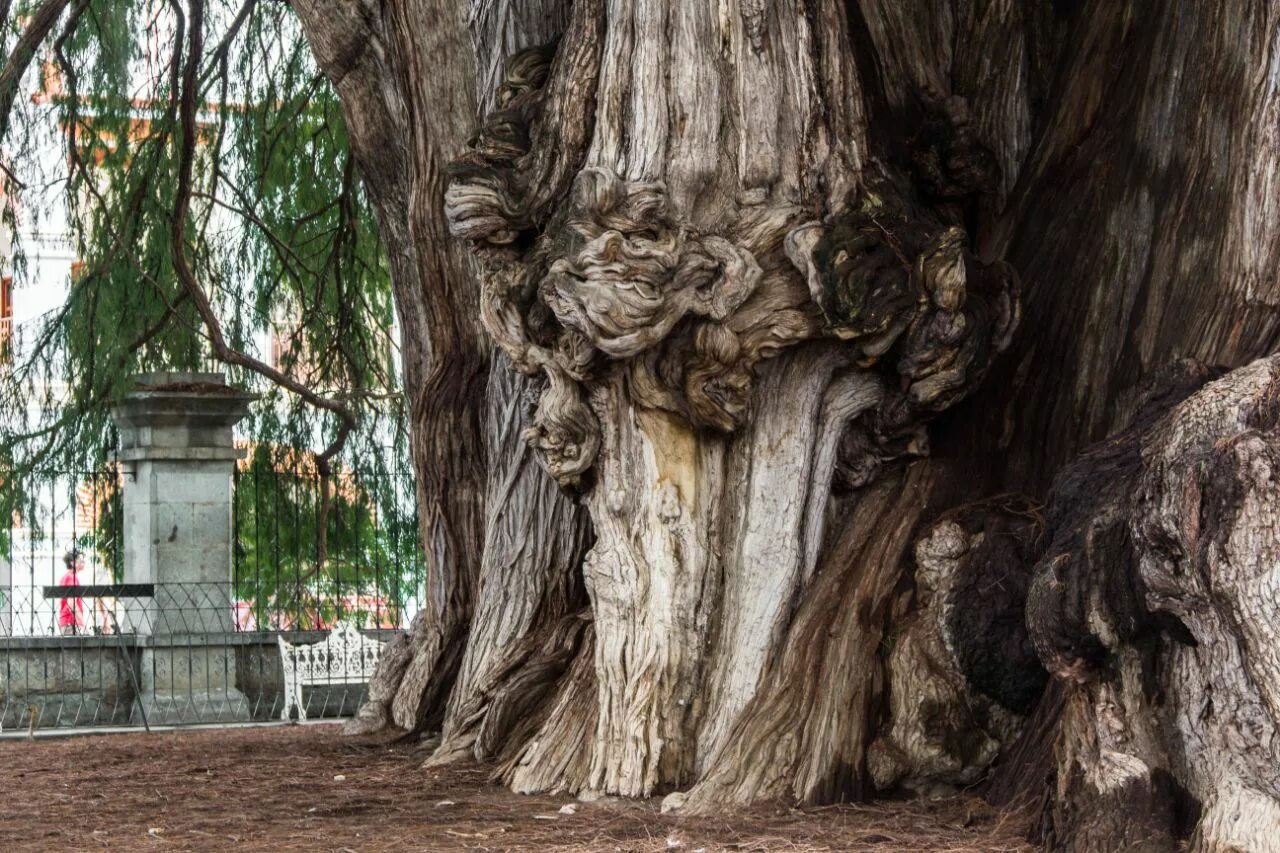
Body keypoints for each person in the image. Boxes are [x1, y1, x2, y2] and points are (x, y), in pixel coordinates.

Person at [56, 549, 88, 636]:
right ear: (72, 563)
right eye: (80, 560)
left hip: (66, 622)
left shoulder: (66, 577)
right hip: (70, 622)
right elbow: (71, 602)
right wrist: (81, 621)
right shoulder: (72, 577)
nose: (83, 562)